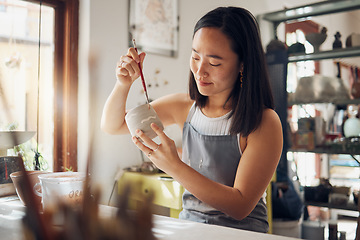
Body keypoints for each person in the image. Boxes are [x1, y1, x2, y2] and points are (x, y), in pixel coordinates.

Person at [101, 6, 283, 233]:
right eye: (195, 56)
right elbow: (113, 125)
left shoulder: (264, 122)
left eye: (214, 63)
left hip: (241, 235)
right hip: (190, 229)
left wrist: (174, 166)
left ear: (243, 64)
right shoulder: (183, 106)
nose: (200, 71)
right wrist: (123, 84)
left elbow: (240, 205)